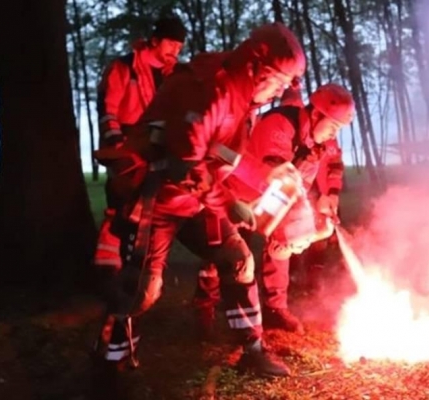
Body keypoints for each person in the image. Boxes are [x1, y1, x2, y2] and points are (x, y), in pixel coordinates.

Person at [92, 23, 306, 378]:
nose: (277, 92)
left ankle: (252, 349)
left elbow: (218, 149)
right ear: (258, 67)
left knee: (239, 260)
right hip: (157, 198)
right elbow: (184, 165)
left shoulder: (240, 92)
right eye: (279, 82)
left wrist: (262, 174)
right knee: (142, 289)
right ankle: (110, 362)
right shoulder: (210, 88)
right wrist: (229, 203)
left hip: (196, 201)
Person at [193, 83, 352, 337]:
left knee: (282, 249)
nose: (333, 134)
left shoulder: (317, 143)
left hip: (268, 196)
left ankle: (275, 309)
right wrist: (291, 229)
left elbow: (305, 183)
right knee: (222, 250)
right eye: (333, 126)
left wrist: (325, 199)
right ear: (315, 114)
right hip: (235, 193)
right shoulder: (279, 124)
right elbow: (275, 175)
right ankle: (204, 305)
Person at [93, 16, 187, 273]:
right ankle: (109, 269)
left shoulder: (175, 77)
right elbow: (107, 109)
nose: (175, 51)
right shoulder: (124, 67)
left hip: (158, 153)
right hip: (127, 148)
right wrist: (118, 145)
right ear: (155, 40)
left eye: (179, 47)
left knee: (147, 213)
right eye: (171, 44)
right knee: (122, 206)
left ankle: (135, 269)